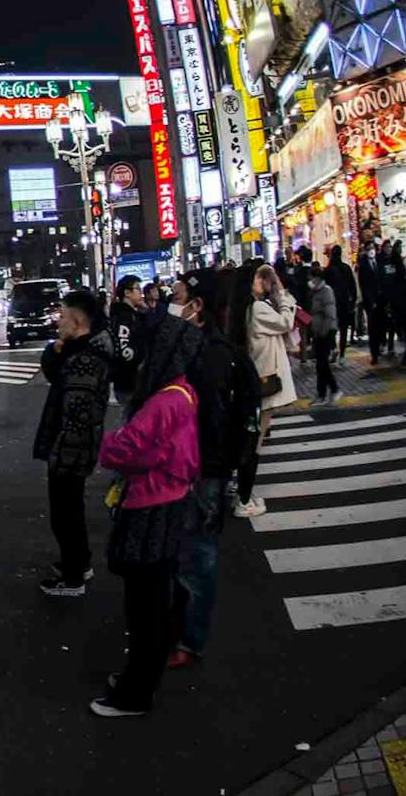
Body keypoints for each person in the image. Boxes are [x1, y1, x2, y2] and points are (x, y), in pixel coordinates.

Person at [88, 333, 200, 718]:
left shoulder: (164, 401)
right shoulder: (182, 391)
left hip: (152, 506)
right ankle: (142, 675)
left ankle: (135, 693)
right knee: (154, 597)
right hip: (170, 501)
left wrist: (104, 442)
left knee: (145, 604)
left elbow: (129, 448)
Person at [164, 268, 261, 670]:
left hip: (200, 470)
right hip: (195, 468)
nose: (172, 303)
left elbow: (209, 421)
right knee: (186, 552)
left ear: (197, 306)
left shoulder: (209, 355)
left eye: (178, 295)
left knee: (197, 555)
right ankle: (183, 632)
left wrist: (201, 469)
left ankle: (190, 641)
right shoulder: (199, 347)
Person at [36, 289, 114, 598]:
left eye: (63, 316)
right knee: (69, 509)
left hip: (71, 445)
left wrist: (61, 451)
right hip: (74, 443)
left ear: (78, 318)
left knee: (65, 512)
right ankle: (78, 563)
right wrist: (54, 350)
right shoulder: (77, 348)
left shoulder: (86, 359)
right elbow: (54, 374)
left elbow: (78, 414)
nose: (58, 321)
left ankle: (73, 578)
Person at [239, 263, 299, 517]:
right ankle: (243, 496)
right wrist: (282, 292)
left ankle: (243, 489)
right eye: (257, 277)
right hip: (266, 378)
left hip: (263, 376)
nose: (262, 280)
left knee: (257, 434)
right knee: (255, 439)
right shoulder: (259, 308)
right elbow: (286, 322)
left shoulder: (253, 308)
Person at [108, 277, 148, 404]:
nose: (140, 293)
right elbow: (124, 348)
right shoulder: (124, 316)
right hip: (129, 381)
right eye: (137, 289)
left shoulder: (132, 314)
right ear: (127, 293)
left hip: (131, 380)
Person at [307, 266, 341, 404]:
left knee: (322, 364)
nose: (309, 281)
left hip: (325, 332)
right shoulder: (315, 292)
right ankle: (323, 394)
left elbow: (330, 315)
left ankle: (333, 390)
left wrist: (323, 332)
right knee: (320, 365)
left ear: (317, 278)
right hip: (318, 332)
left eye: (311, 278)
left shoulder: (326, 291)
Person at [326, 245, 357, 361]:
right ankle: (342, 353)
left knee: (331, 328)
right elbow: (352, 287)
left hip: (332, 303)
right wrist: (352, 301)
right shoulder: (346, 268)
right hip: (344, 302)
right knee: (343, 329)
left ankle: (333, 348)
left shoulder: (328, 270)